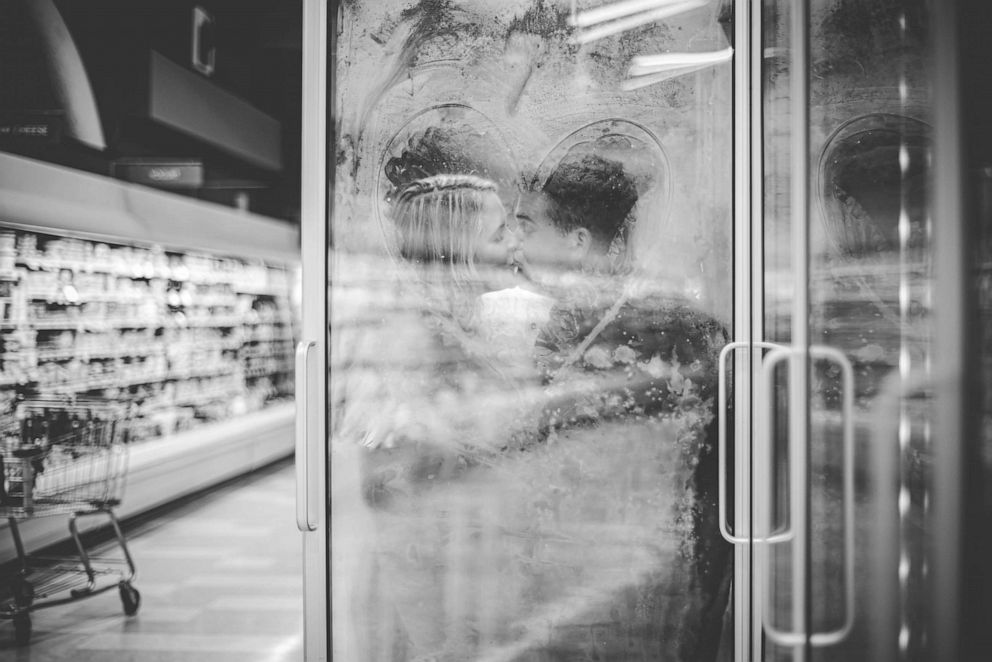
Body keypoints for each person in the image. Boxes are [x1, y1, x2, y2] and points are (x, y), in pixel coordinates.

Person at [511, 152, 733, 662]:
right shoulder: (568, 322)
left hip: (632, 575)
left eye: (528, 226)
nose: (516, 241)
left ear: (577, 241)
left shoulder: (664, 326)